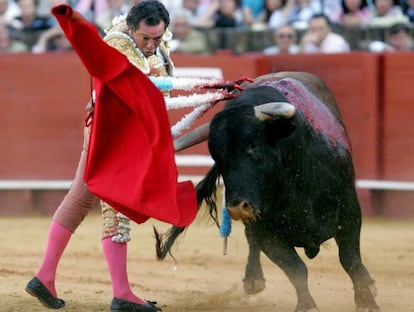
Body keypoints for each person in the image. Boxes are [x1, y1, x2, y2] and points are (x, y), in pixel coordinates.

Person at [25, 1, 198, 311]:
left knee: (79, 200)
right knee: (116, 207)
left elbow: (159, 92)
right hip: (113, 137)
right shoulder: (118, 44)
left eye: (157, 38)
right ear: (132, 30)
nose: (151, 44)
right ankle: (121, 294)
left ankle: (44, 277)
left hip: (120, 133)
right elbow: (145, 86)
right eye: (145, 38)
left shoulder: (158, 45)